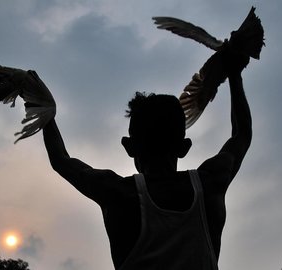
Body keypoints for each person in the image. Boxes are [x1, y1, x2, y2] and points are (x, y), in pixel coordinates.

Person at [42, 47, 252, 270]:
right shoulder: (211, 183)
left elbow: (61, 159)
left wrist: (44, 110)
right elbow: (242, 134)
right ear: (184, 147)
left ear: (129, 147)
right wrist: (234, 73)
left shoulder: (119, 193)